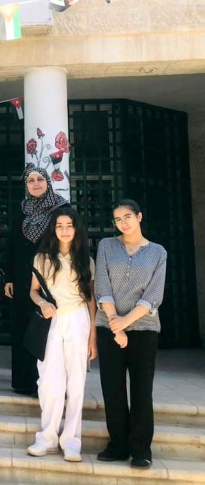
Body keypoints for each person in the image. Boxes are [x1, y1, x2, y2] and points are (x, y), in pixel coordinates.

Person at [95, 200, 166, 470]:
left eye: (127, 217)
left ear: (139, 217)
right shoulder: (106, 246)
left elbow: (154, 295)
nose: (123, 223)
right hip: (109, 327)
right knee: (112, 389)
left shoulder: (158, 252)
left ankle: (141, 449)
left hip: (144, 329)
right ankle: (118, 445)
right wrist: (116, 324)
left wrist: (125, 323)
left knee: (141, 390)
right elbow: (102, 287)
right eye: (117, 219)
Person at [26, 207, 96, 463]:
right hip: (52, 320)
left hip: (78, 319)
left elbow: (91, 299)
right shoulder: (42, 258)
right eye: (59, 226)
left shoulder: (86, 260)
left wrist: (93, 337)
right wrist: (42, 303)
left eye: (69, 225)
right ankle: (47, 438)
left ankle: (71, 442)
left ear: (76, 229)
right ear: (53, 229)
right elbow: (33, 291)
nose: (65, 230)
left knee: (76, 383)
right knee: (49, 382)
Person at [4, 164, 68, 396]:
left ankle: (49, 384)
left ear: (48, 182)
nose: (36, 184)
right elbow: (11, 243)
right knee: (24, 327)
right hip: (23, 280)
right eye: (31, 180)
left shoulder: (62, 209)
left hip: (52, 279)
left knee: (48, 331)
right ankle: (25, 382)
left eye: (40, 179)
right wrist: (9, 277)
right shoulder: (21, 210)